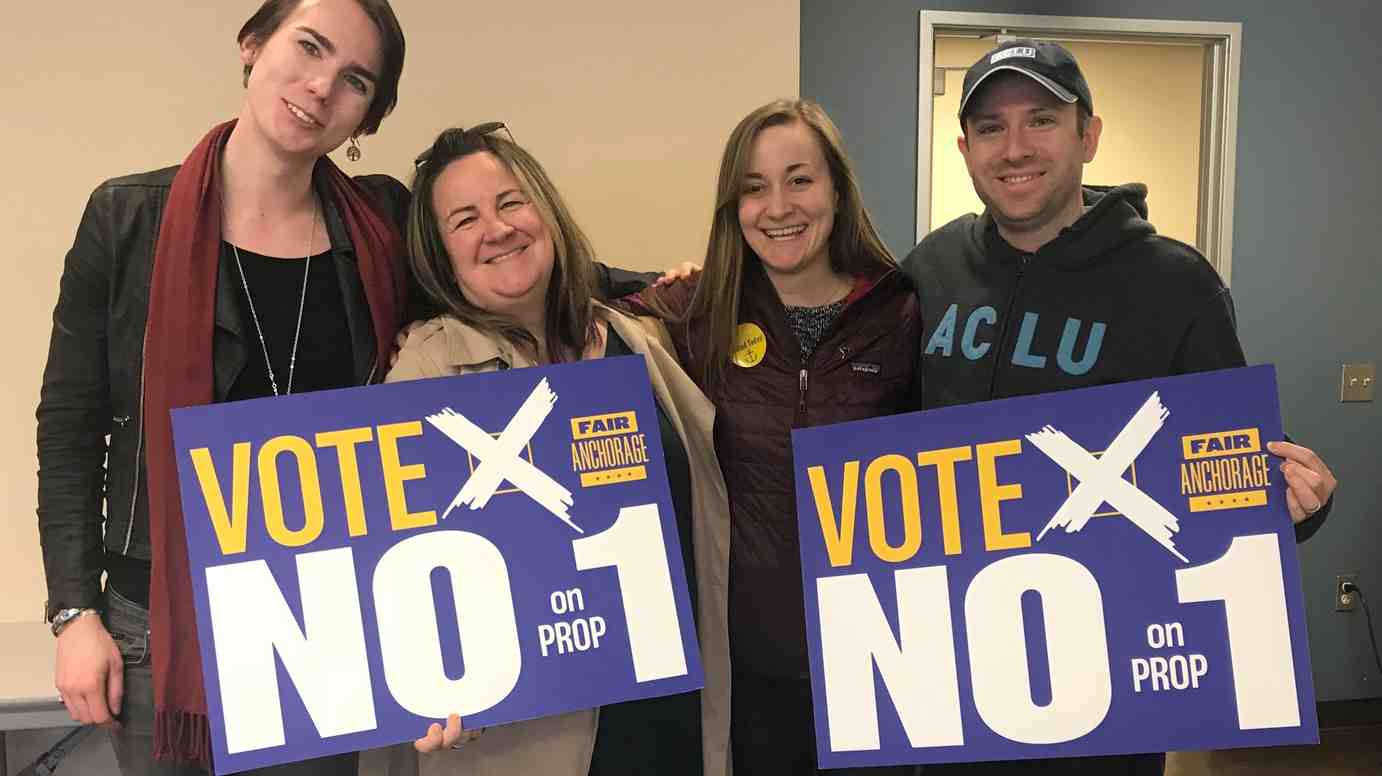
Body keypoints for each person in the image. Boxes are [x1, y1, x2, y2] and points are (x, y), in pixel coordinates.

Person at [905, 39, 1338, 776]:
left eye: (1041, 119)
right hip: (948, 667)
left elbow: (1224, 453)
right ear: (964, 146)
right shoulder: (931, 267)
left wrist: (1299, 498)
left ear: (1088, 134)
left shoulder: (1173, 282)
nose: (1014, 147)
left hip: (1103, 683)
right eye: (990, 127)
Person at [36, 1, 410, 773]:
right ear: (251, 44)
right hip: (159, 623)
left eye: (355, 81)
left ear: (366, 116)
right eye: (308, 47)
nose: (319, 87)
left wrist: (666, 289)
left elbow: (506, 270)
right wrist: (74, 612)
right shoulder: (127, 217)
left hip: (326, 612)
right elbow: (71, 427)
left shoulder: (383, 227)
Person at [385, 124, 732, 776]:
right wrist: (427, 688)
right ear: (440, 256)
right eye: (465, 219)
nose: (498, 227)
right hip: (531, 744)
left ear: (544, 209)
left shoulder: (637, 337)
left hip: (673, 719)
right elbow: (394, 569)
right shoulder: (427, 368)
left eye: (510, 202)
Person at [615, 99, 922, 775]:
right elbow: (565, 306)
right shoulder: (698, 311)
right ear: (733, 207)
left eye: (799, 179)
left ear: (837, 190)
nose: (777, 206)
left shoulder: (902, 312)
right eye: (753, 188)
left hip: (880, 662)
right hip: (746, 666)